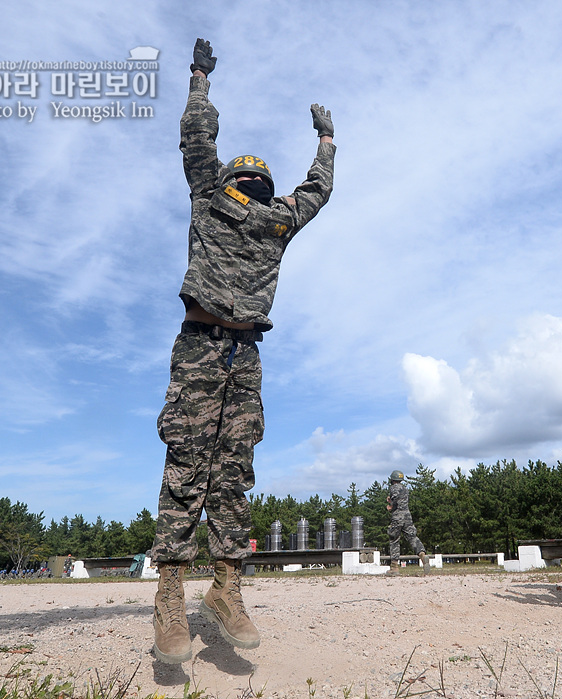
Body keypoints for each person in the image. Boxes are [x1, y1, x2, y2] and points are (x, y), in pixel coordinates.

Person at [150, 38, 335, 665]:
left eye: (261, 181)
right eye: (245, 178)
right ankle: (169, 595)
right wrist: (199, 77)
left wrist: (327, 144)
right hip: (201, 348)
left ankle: (226, 589)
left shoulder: (277, 222)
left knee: (235, 473)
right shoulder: (208, 196)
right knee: (186, 471)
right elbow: (196, 140)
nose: (253, 185)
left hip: (245, 355)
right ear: (229, 181)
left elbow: (317, 192)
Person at [386, 470, 430, 575]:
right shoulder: (405, 489)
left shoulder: (393, 488)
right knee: (412, 537)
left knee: (394, 540)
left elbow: (396, 499)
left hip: (398, 517)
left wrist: (391, 506)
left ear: (392, 480)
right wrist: (391, 500)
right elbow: (401, 500)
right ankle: (422, 555)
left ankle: (394, 567)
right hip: (407, 516)